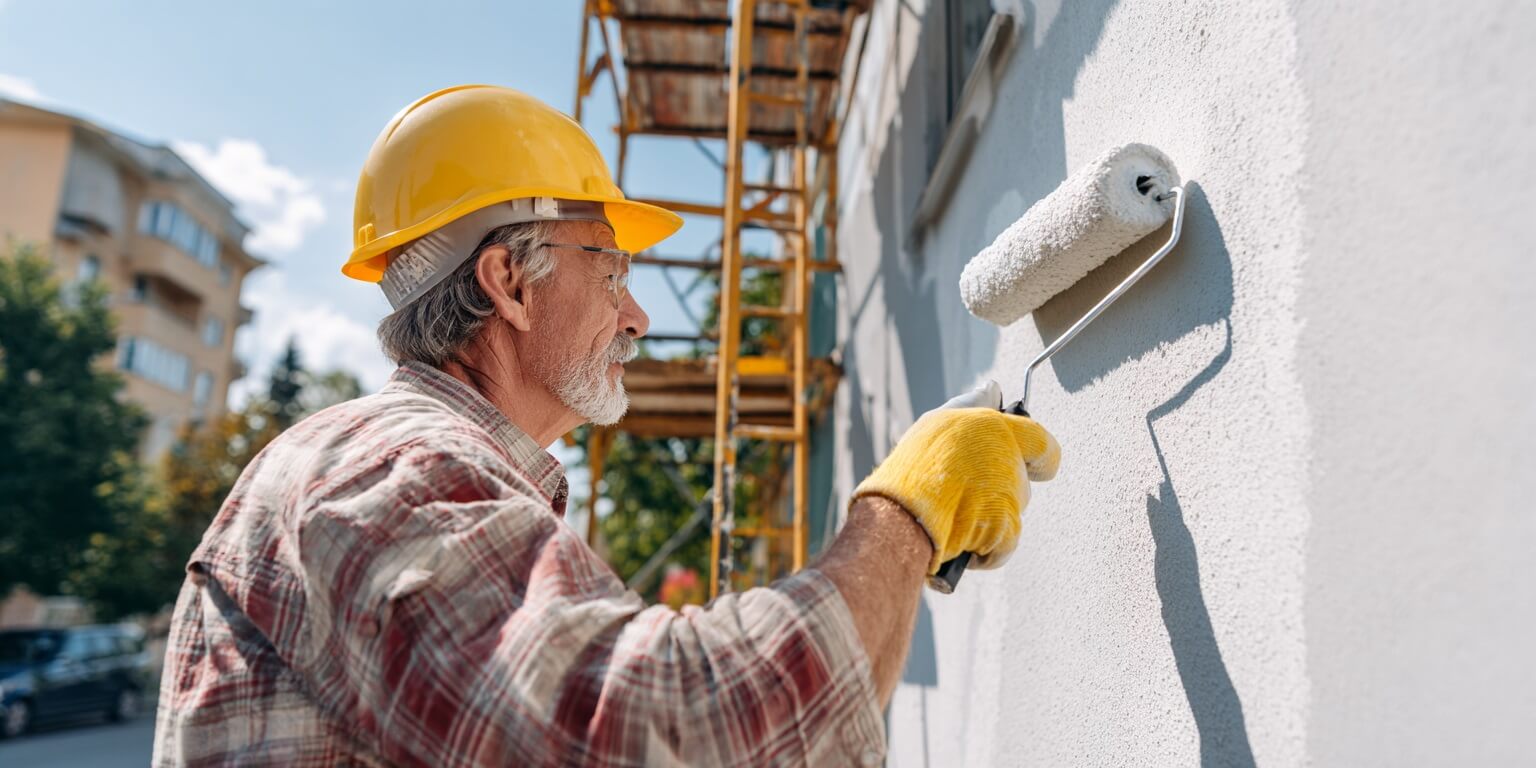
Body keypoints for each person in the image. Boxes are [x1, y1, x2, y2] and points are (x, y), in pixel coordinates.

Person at [152, 85, 1060, 767]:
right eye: (611, 269)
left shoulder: (402, 470)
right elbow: (676, 726)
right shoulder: (392, 468)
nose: (636, 316)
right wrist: (903, 517)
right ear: (508, 282)